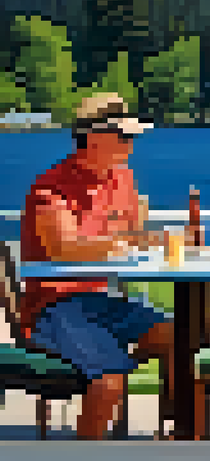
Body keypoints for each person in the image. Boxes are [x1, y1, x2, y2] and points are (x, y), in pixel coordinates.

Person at [17, 93, 176, 440]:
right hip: (54, 305)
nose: (131, 143)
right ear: (93, 137)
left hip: (101, 300)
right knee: (109, 382)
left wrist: (152, 238)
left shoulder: (123, 179)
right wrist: (125, 240)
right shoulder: (50, 188)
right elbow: (63, 248)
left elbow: (136, 233)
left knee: (180, 339)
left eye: (132, 135)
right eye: (123, 135)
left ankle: (178, 434)